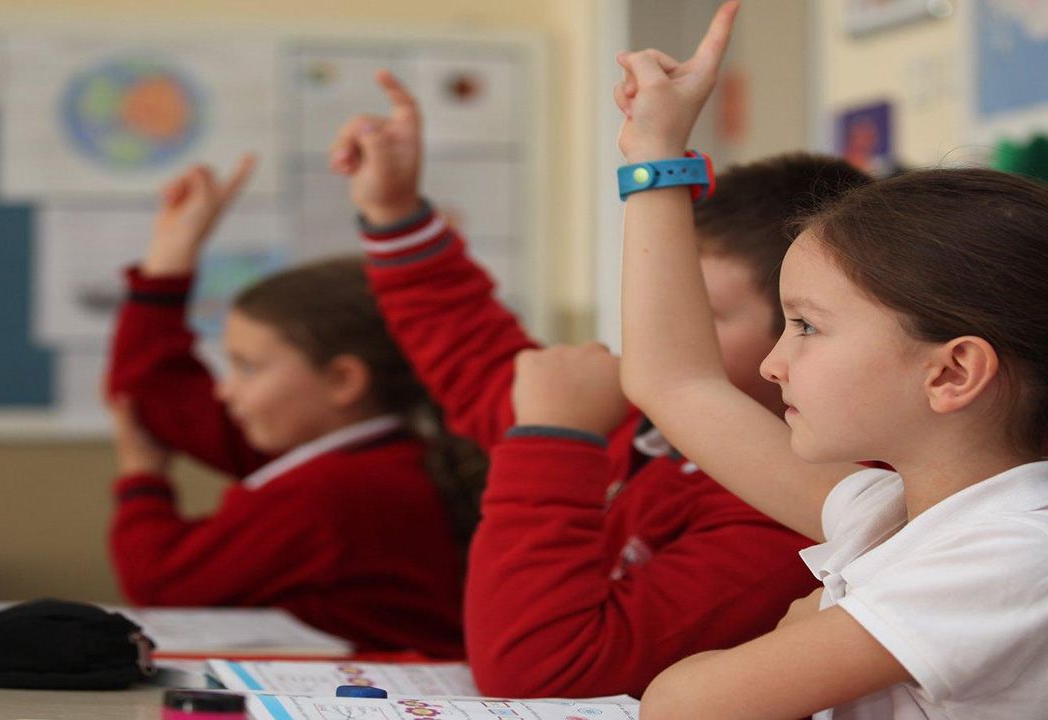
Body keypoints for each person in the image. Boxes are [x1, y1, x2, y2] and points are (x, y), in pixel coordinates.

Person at [615, 3, 1048, 717]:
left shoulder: (1017, 560)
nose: (773, 364)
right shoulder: (898, 514)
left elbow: (683, 704)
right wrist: (655, 151)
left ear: (952, 373)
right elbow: (674, 381)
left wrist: (803, 625)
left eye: (807, 327)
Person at [329, 72, 869, 697]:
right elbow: (472, 352)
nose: (658, 326)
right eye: (658, 293)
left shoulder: (799, 512)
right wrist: (395, 214)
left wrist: (553, 438)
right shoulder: (633, 420)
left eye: (702, 312)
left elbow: (545, 672)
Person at [103, 157, 484, 658]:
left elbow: (162, 579)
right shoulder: (375, 456)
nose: (224, 390)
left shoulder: (331, 494)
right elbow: (154, 396)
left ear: (343, 380)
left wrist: (142, 477)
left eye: (248, 367)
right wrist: (171, 253)